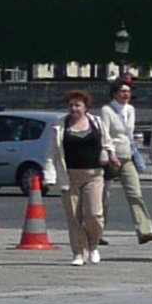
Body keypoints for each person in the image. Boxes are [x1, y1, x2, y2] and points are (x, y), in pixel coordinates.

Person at [98, 77, 152, 244]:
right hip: (111, 158)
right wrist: (110, 154)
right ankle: (96, 232)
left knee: (135, 194)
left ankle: (144, 230)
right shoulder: (107, 110)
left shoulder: (131, 110)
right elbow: (104, 135)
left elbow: (129, 133)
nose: (126, 94)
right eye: (122, 91)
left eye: (128, 91)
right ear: (114, 94)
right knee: (103, 196)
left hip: (127, 157)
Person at [54, 88, 111, 264]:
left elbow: (107, 142)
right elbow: (51, 153)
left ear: (86, 107)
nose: (74, 109)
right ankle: (79, 252)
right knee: (73, 216)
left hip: (93, 175)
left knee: (94, 214)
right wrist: (50, 176)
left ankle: (93, 245)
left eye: (78, 105)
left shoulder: (97, 123)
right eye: (71, 105)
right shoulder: (59, 126)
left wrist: (107, 152)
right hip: (69, 175)